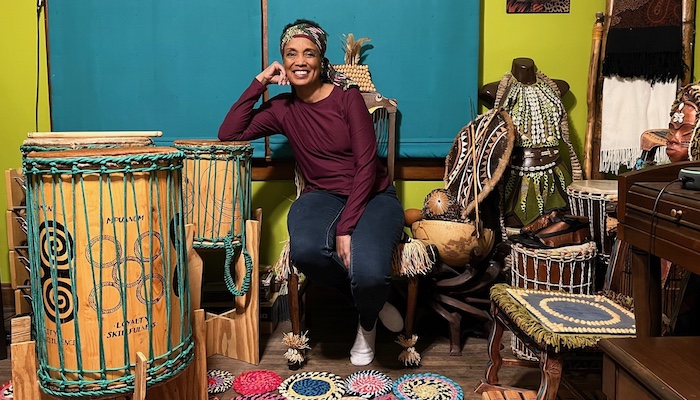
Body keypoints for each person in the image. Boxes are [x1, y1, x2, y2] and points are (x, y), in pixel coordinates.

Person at [218, 19, 405, 366]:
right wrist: (259, 82)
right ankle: (370, 303)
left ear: (321, 60)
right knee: (306, 251)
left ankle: (366, 323)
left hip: (374, 196)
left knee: (368, 273)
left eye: (309, 53)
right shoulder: (282, 109)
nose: (300, 60)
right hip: (322, 196)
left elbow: (366, 167)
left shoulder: (348, 99)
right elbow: (229, 133)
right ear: (283, 63)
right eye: (291, 54)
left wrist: (346, 228)